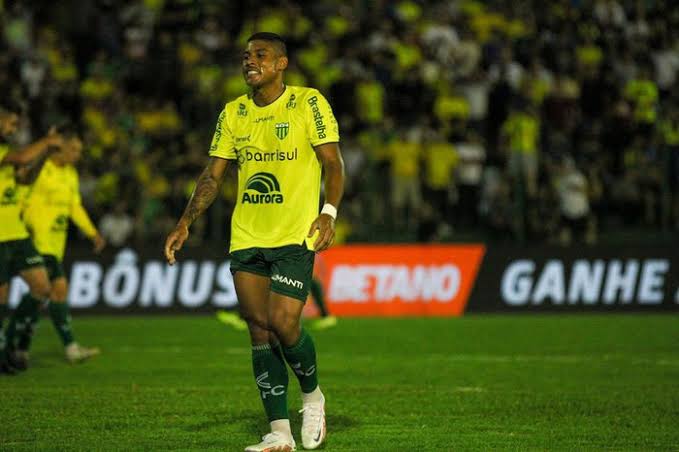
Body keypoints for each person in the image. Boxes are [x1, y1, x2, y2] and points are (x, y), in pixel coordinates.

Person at [164, 32, 344, 451]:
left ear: (281, 63)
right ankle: (279, 433)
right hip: (247, 235)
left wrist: (329, 211)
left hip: (296, 233)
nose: (250, 61)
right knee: (259, 329)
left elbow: (333, 163)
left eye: (260, 55)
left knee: (283, 323)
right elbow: (213, 176)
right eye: (246, 55)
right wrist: (185, 221)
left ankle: (313, 398)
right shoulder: (233, 113)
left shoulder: (308, 102)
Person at [6, 126, 105, 365]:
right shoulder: (40, 168)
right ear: (60, 148)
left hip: (56, 244)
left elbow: (74, 206)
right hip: (37, 241)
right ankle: (70, 348)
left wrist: (92, 232)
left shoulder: (70, 173)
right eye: (74, 149)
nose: (78, 155)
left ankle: (19, 345)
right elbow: (22, 198)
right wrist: (24, 225)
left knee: (40, 294)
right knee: (58, 288)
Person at [0, 102, 61, 374]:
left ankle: (11, 342)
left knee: (42, 287)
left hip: (17, 234)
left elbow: (24, 178)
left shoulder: (6, 152)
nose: (13, 129)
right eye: (11, 123)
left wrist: (46, 154)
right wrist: (47, 140)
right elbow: (23, 157)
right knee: (1, 300)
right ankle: (4, 353)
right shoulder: (8, 153)